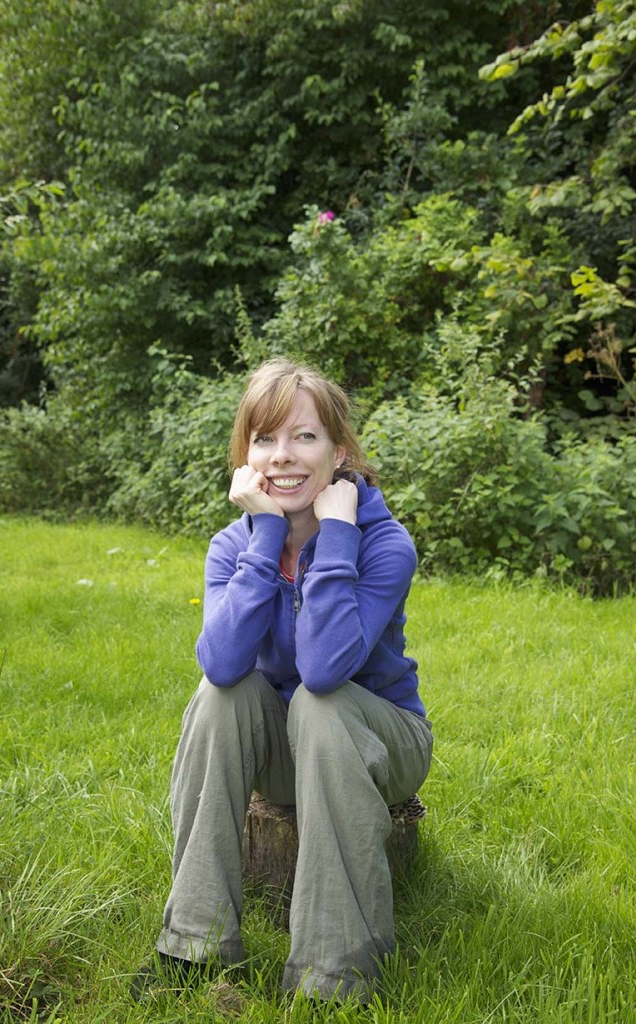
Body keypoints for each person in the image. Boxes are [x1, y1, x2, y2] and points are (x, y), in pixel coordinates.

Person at [132, 358, 433, 1003]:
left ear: (339, 452)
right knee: (219, 696)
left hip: (381, 743)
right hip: (285, 745)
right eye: (264, 438)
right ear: (246, 456)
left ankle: (335, 974)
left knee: (322, 705)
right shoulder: (231, 546)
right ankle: (194, 944)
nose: (282, 456)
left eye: (304, 436)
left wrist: (340, 536)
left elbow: (325, 670)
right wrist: (266, 535)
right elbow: (221, 664)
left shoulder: (385, 545)